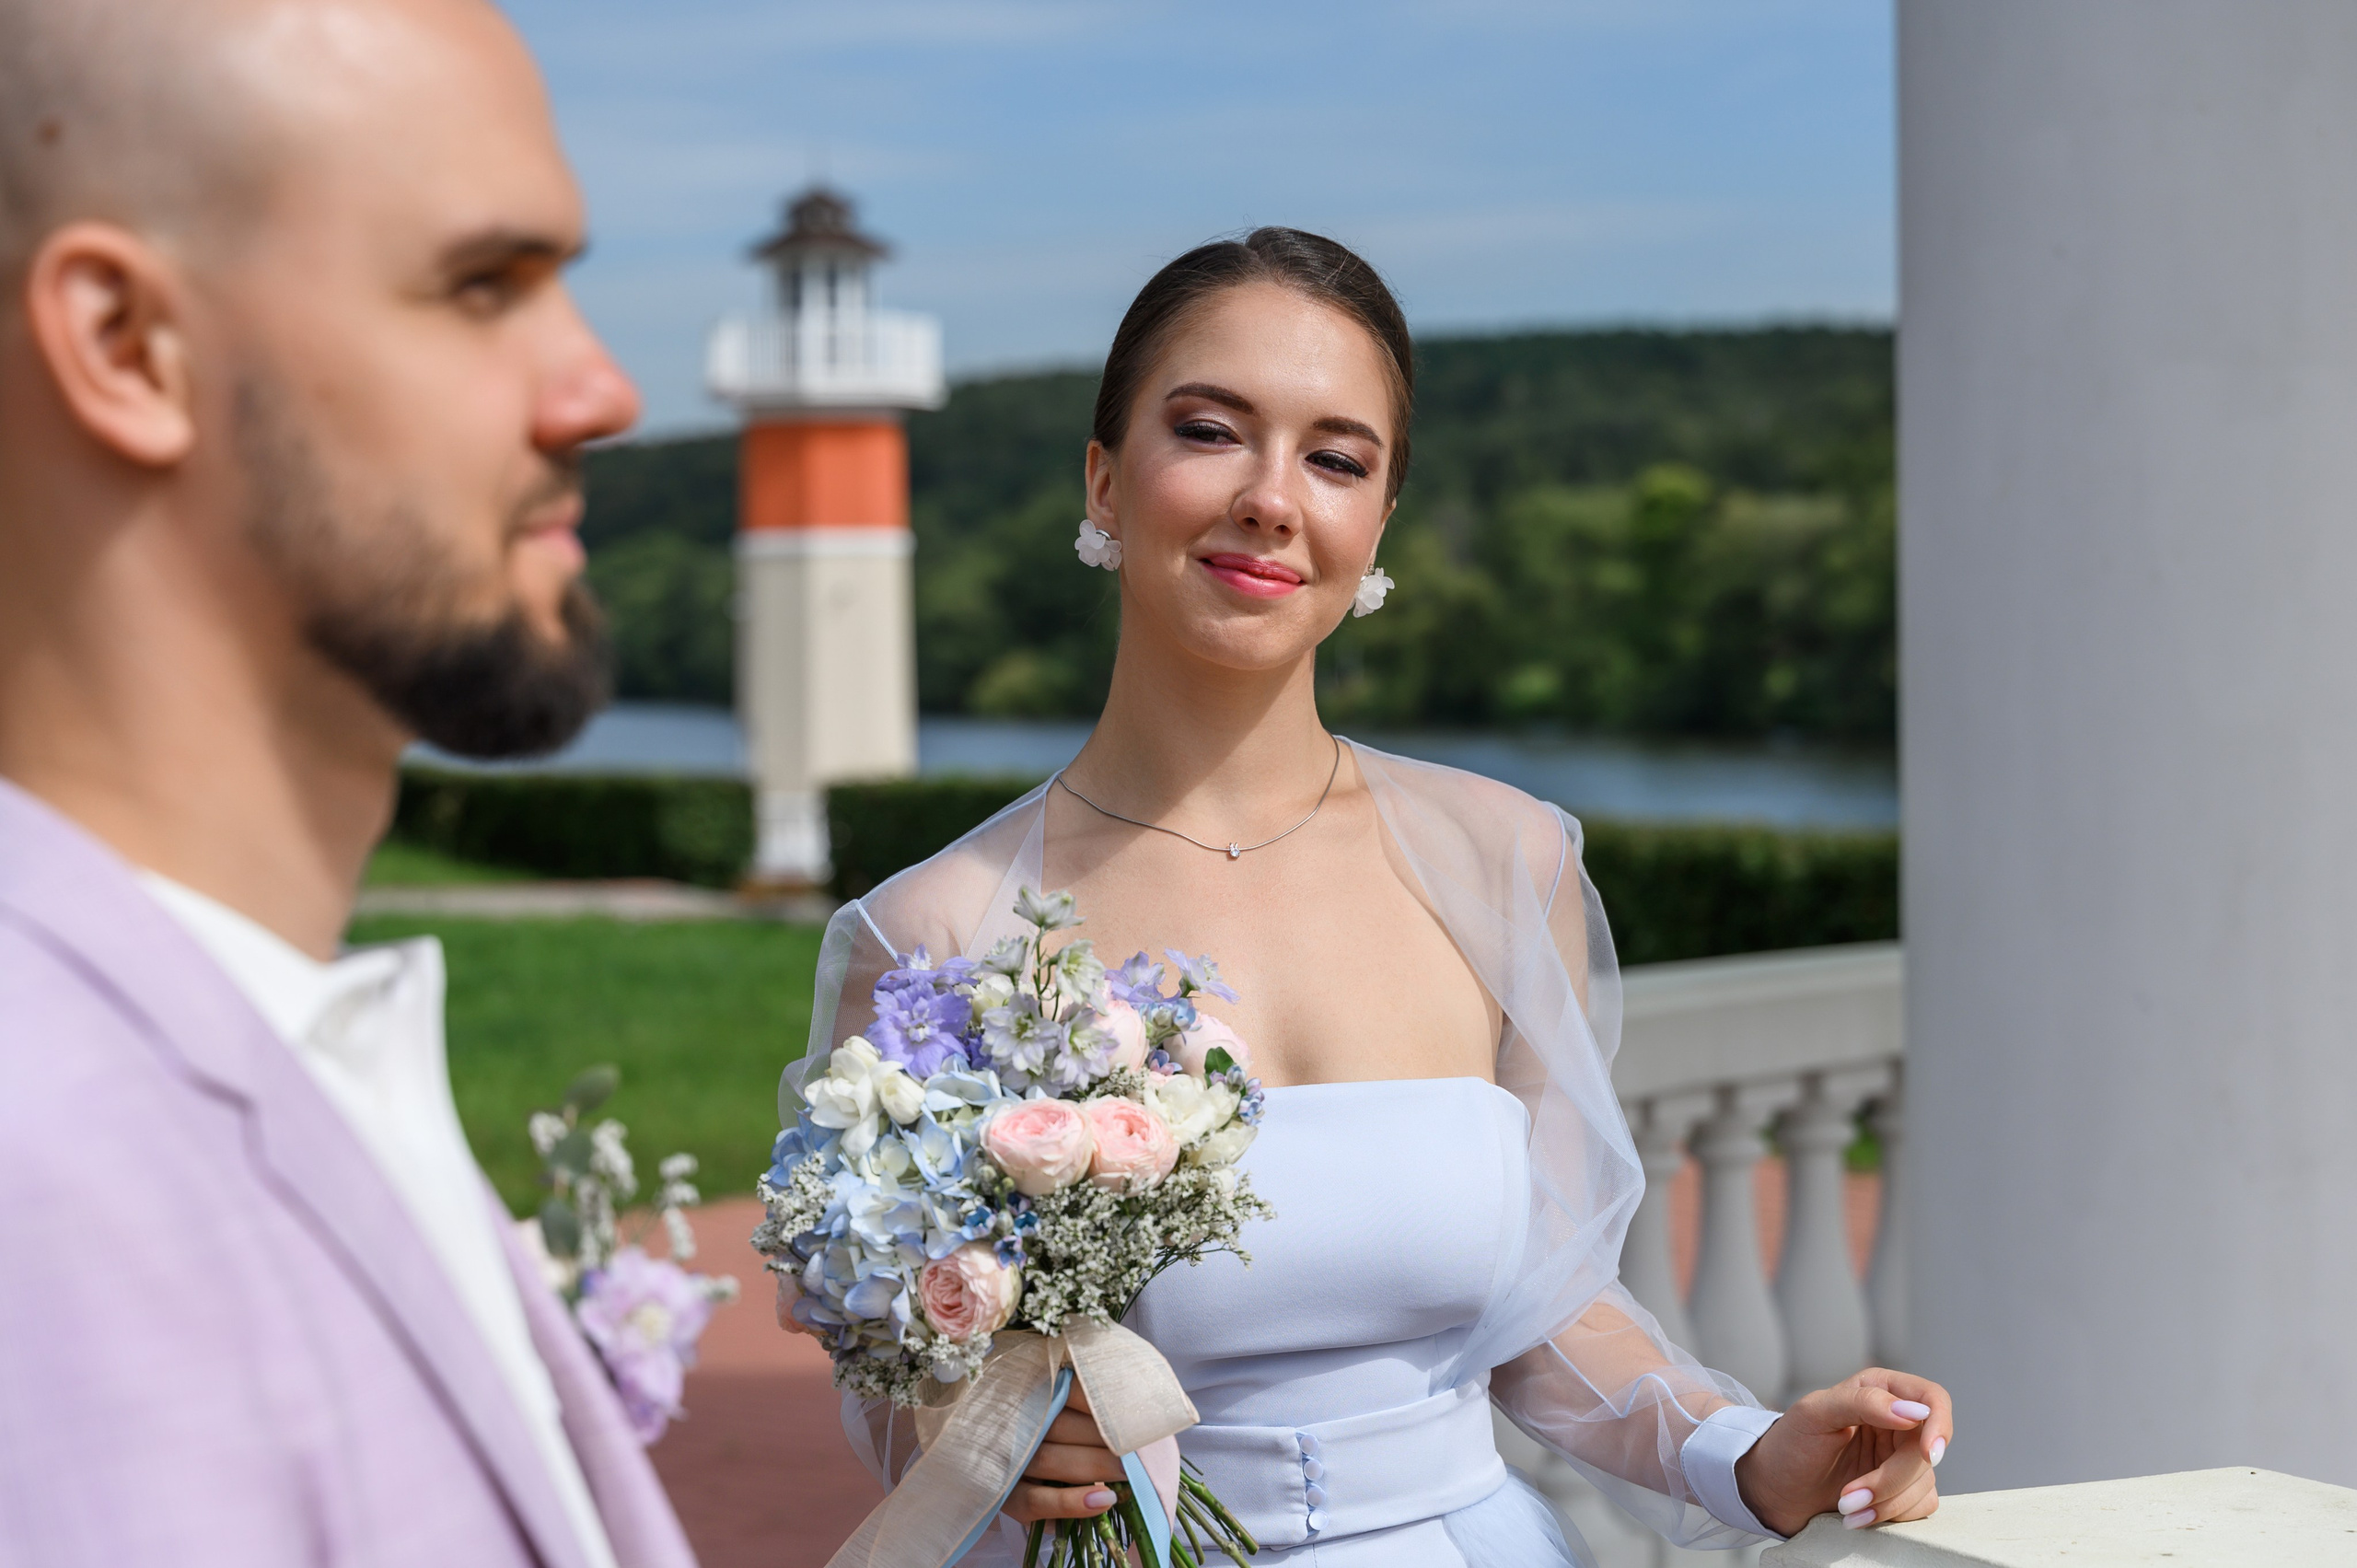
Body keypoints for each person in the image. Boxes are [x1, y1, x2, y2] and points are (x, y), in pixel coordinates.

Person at [778, 228, 1954, 1565]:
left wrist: (1747, 1453)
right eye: (1212, 431)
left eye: (1337, 459)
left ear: (1378, 523)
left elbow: (1550, 1313)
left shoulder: (1503, 861)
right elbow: (891, 1381)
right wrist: (986, 1433)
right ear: (1104, 480)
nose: (1273, 500)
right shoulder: (936, 933)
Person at [0, 2, 696, 1564]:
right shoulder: (35, 1175)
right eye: (481, 287)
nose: (600, 391)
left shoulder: (285, 1044)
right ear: (128, 348)